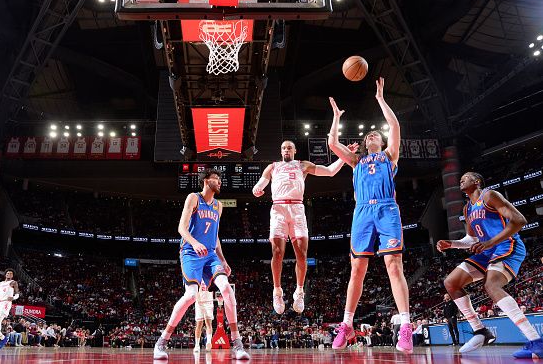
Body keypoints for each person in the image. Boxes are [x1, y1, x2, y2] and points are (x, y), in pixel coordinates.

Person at [328, 77, 413, 353]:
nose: (372, 136)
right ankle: (347, 324)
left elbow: (396, 126)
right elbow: (332, 143)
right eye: (369, 136)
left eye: (376, 134)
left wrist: (380, 99)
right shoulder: (356, 161)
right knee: (357, 269)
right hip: (363, 212)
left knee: (393, 264)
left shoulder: (390, 156)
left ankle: (407, 327)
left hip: (387, 209)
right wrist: (336, 117)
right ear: (365, 144)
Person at [437, 171, 543, 358]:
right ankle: (481, 332)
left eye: (467, 176)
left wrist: (490, 243)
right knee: (451, 283)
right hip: (487, 250)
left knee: (491, 285)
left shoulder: (489, 195)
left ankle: (535, 340)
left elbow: (519, 221)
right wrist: (452, 244)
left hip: (507, 245)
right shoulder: (467, 208)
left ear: (477, 181)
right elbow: (472, 239)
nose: (462, 179)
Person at [153, 169, 249, 360]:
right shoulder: (193, 198)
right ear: (206, 181)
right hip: (191, 252)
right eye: (216, 178)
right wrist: (195, 243)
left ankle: (237, 344)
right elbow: (181, 227)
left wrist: (223, 259)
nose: (220, 182)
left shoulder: (218, 206)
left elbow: (215, 236)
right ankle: (162, 342)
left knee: (227, 290)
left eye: (221, 179)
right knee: (190, 296)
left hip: (211, 255)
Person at [252, 140, 350, 314]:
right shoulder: (272, 167)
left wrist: (343, 157)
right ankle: (277, 291)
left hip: (297, 208)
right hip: (279, 209)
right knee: (277, 252)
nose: (286, 150)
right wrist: (257, 189)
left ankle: (299, 291)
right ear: (280, 151)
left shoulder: (303, 165)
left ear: (295, 150)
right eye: (283, 148)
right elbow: (259, 185)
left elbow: (329, 172)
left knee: (302, 253)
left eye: (289, 147)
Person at [193, 281, 214, 353]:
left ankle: (208, 342)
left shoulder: (210, 274)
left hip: (208, 301)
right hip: (199, 301)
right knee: (199, 325)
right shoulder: (197, 275)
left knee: (208, 323)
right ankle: (197, 345)